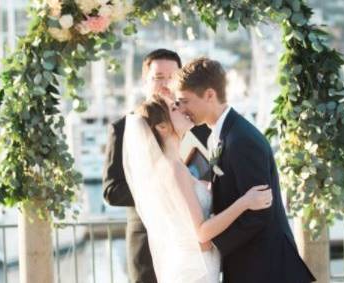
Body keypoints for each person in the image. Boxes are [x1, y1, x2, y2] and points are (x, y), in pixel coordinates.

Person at [174, 57, 316, 283]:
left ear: (210, 95)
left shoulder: (241, 139)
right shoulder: (220, 134)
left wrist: (212, 246)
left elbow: (259, 213)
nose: (181, 109)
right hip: (249, 265)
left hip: (266, 268)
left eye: (185, 101)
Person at [122, 95, 273, 283]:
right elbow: (201, 234)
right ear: (162, 127)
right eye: (175, 108)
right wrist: (245, 202)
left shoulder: (170, 166)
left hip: (190, 265)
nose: (183, 110)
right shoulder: (174, 169)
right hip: (196, 271)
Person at [102, 49, 209, 283]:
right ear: (145, 81)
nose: (166, 84)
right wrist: (164, 190)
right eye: (159, 77)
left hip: (192, 245)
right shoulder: (123, 128)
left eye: (173, 76)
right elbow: (111, 191)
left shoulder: (197, 125)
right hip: (146, 242)